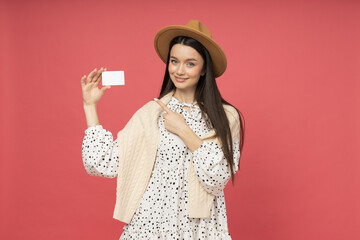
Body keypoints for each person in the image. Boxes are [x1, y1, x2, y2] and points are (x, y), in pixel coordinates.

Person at [81, 20, 245, 240]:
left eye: (190, 63)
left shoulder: (226, 117)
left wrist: (184, 131)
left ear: (205, 67)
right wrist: (90, 106)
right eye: (174, 61)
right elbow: (103, 163)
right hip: (150, 226)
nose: (179, 70)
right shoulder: (151, 112)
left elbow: (217, 178)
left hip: (199, 229)